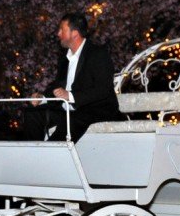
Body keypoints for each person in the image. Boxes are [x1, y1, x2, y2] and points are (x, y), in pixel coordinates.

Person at [23, 12, 120, 141]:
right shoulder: (64, 58)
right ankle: (33, 151)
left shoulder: (98, 54)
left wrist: (71, 96)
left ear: (74, 33)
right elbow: (58, 85)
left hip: (93, 110)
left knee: (70, 122)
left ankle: (50, 152)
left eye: (62, 30)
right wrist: (43, 98)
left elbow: (103, 89)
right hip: (68, 110)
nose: (58, 33)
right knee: (32, 113)